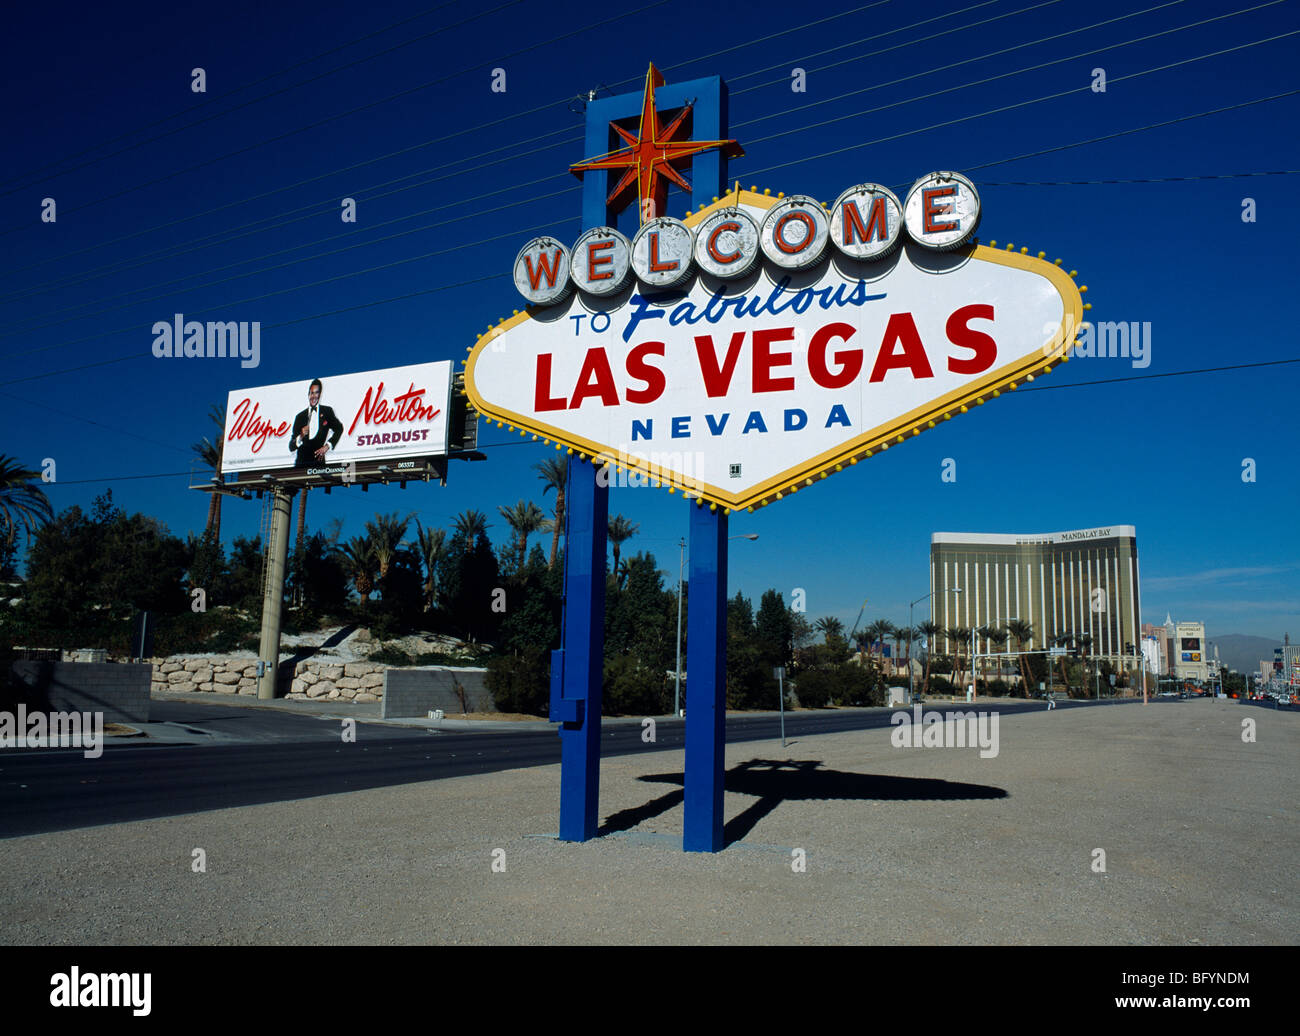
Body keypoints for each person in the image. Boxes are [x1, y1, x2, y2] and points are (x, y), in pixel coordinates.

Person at [290, 378, 343, 468]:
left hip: (319, 463)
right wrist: (301, 436)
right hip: (301, 464)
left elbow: (339, 428)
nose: (314, 396)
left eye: (316, 392)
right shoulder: (300, 416)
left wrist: (327, 446)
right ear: (308, 394)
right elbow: (291, 446)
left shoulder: (327, 411)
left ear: (320, 394)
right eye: (312, 393)